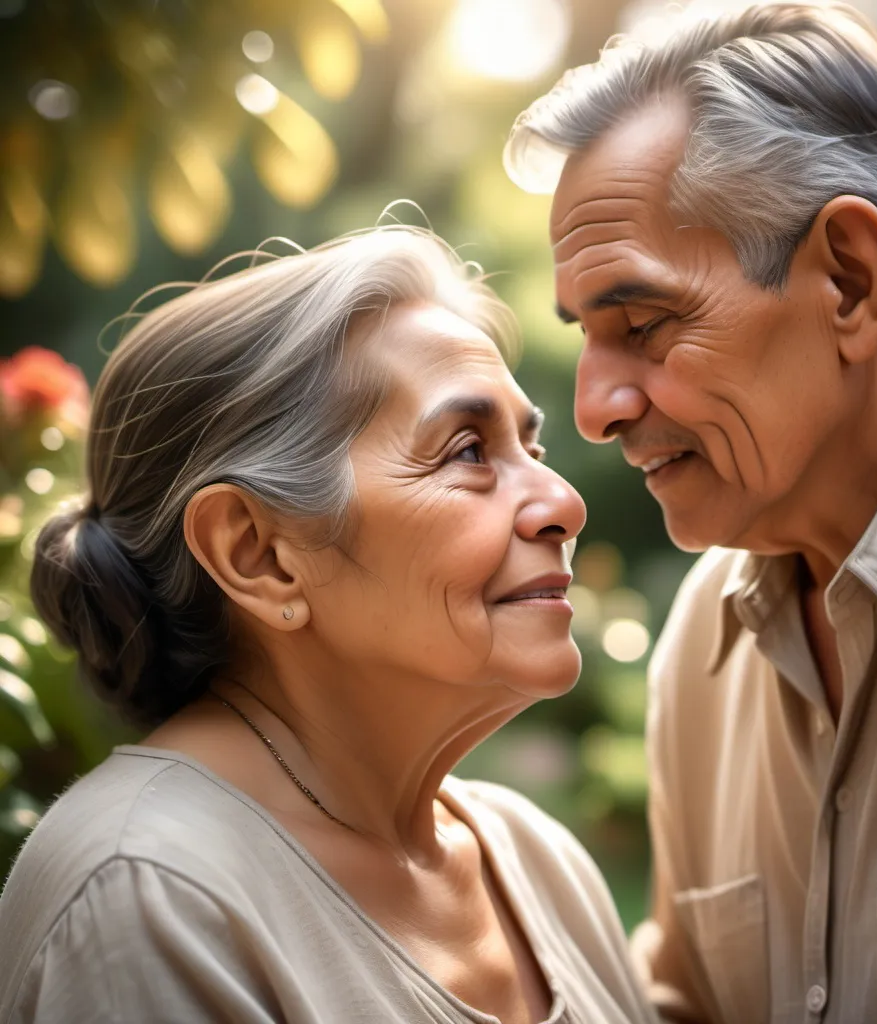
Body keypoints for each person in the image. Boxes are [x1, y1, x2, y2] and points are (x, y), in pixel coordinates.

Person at [504, 3, 877, 1022]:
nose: (592, 409)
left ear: (849, 280)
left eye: (644, 324)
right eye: (586, 339)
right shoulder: (705, 637)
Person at [0, 226, 659, 1024]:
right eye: (466, 451)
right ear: (260, 555)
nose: (564, 504)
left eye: (530, 442)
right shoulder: (147, 891)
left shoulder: (535, 859)